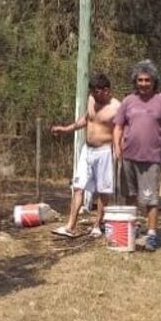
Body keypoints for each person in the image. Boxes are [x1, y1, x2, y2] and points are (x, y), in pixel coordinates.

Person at [112, 60, 161, 252]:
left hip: (151, 160)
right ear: (135, 81)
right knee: (129, 195)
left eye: (147, 80)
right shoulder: (128, 101)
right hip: (128, 158)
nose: (143, 84)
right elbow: (118, 126)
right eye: (140, 80)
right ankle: (132, 229)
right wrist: (117, 146)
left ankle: (151, 235)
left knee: (150, 199)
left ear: (154, 81)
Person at [50, 73, 120, 238]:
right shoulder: (91, 99)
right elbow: (87, 119)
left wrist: (118, 149)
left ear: (106, 91)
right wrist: (66, 129)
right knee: (78, 186)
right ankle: (70, 226)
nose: (95, 95)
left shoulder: (117, 107)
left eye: (97, 92)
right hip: (87, 150)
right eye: (93, 92)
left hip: (104, 152)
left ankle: (98, 225)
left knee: (103, 190)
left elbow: (120, 130)